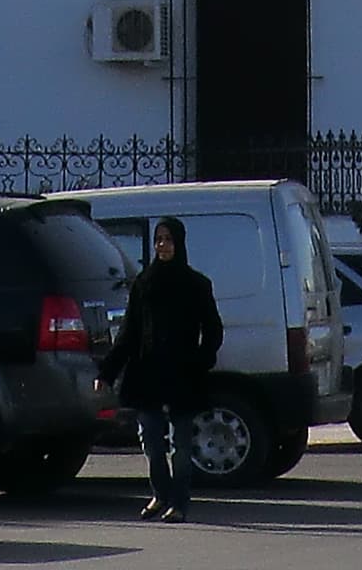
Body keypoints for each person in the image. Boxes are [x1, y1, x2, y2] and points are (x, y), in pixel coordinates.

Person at [102, 216, 223, 523]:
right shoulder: (144, 284)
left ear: (179, 243)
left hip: (183, 375)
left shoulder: (196, 284)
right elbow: (129, 333)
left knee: (181, 445)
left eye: (168, 240)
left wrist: (201, 361)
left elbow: (212, 330)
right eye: (158, 240)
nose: (162, 246)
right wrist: (107, 372)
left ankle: (179, 502)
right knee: (152, 441)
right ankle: (160, 494)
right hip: (148, 375)